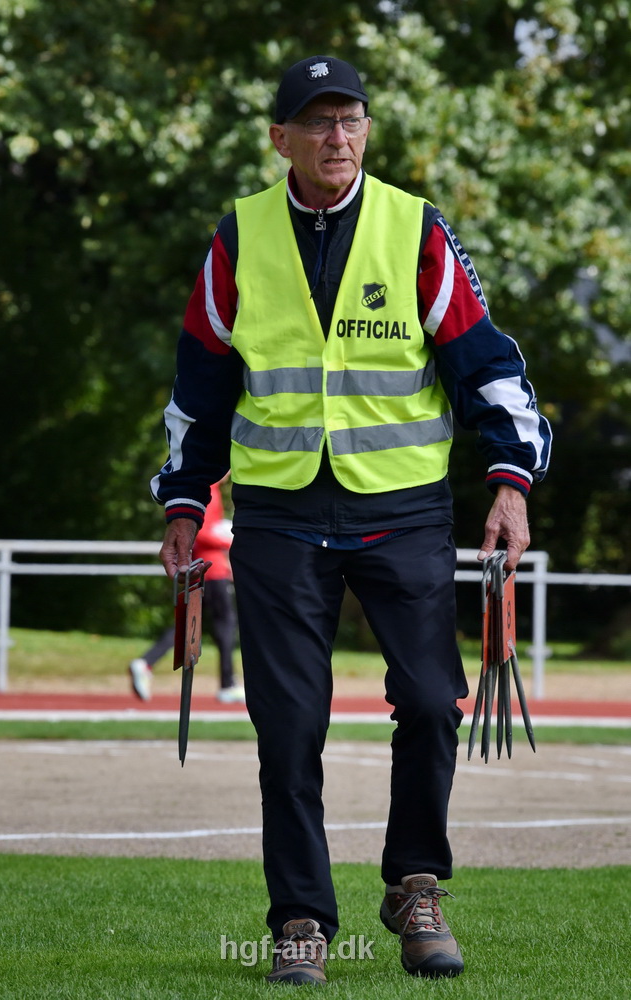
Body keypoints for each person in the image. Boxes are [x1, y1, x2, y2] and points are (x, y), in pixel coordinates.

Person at [151, 55, 552, 984]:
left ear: (366, 131)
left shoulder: (414, 230)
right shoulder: (238, 237)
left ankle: (415, 885)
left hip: (403, 511)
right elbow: (199, 385)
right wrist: (183, 499)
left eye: (351, 121)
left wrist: (508, 483)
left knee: (426, 700)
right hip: (282, 513)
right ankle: (298, 919)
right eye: (317, 122)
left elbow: (485, 362)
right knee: (287, 724)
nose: (337, 137)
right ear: (279, 138)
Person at [129, 480, 243, 704]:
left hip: (203, 567)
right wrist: (233, 540)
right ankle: (227, 684)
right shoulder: (207, 489)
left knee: (191, 624)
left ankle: (146, 662)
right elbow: (200, 533)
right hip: (211, 569)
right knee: (223, 624)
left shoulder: (202, 488)